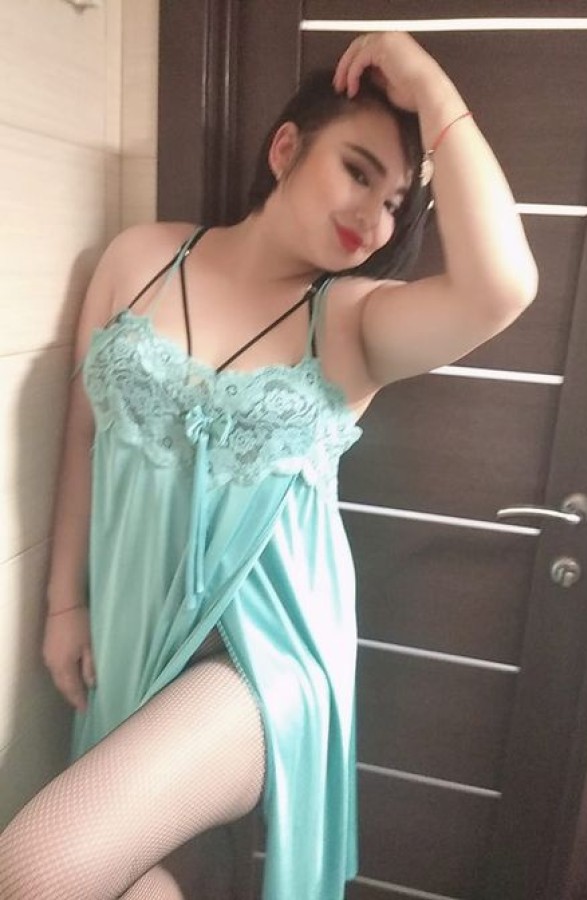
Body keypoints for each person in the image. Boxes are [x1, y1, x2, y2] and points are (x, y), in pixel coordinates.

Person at [0, 31, 537, 900]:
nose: (374, 218)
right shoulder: (139, 258)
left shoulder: (354, 322)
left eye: (396, 202)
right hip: (133, 626)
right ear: (285, 149)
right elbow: (82, 435)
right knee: (141, 884)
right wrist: (65, 601)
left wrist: (425, 81)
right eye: (357, 171)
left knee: (34, 868)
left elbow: (501, 288)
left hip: (263, 661)